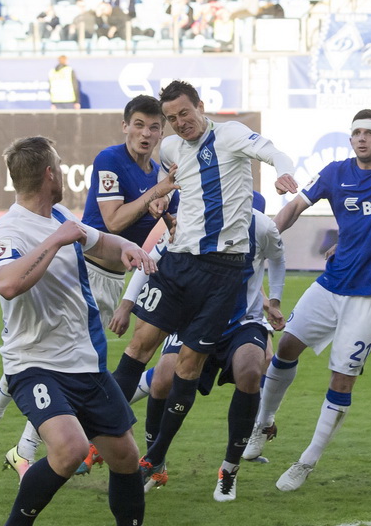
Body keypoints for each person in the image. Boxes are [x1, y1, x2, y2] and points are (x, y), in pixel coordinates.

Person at [0, 96, 179, 478]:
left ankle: (26, 448)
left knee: (61, 360)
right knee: (55, 357)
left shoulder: (158, 171)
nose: (147, 133)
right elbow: (113, 222)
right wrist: (156, 194)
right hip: (89, 274)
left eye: (154, 127)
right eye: (140, 124)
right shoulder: (113, 161)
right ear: (125, 125)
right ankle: (4, 424)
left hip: (114, 278)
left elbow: (136, 225)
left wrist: (160, 212)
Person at [242, 109, 371, 492]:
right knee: (286, 347)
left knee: (342, 377)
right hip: (331, 284)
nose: (362, 138)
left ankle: (306, 462)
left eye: (370, 133)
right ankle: (262, 425)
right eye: (356, 132)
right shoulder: (336, 172)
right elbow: (296, 205)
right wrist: (269, 232)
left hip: (369, 295)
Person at [0, 136, 167, 526]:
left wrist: (124, 248)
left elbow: (96, 240)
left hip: (83, 363)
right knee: (70, 450)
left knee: (125, 457)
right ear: (49, 173)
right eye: (59, 163)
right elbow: (8, 284)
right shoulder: (9, 230)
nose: (63, 168)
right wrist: (55, 240)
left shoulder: (60, 216)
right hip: (33, 363)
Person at [111, 80, 297, 488]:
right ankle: (100, 426)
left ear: (200, 106)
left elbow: (272, 151)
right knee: (140, 345)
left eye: (185, 114)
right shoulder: (172, 149)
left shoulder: (229, 134)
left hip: (223, 273)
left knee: (187, 367)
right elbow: (168, 178)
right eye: (172, 119)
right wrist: (161, 200)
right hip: (179, 263)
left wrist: (284, 171)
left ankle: (155, 459)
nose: (180, 124)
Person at [121, 195, 286, 501]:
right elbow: (153, 257)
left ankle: (229, 470)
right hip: (194, 318)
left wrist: (272, 301)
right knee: (161, 380)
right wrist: (127, 304)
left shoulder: (260, 226)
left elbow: (277, 257)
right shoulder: (194, 219)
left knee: (250, 371)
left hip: (242, 322)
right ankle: (155, 460)